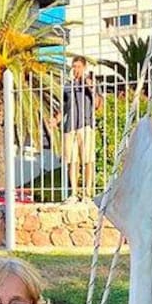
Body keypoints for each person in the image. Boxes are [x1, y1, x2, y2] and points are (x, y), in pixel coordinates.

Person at [61, 55, 99, 201]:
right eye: (74, 66)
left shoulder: (91, 84)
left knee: (87, 159)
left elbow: (97, 104)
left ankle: (87, 193)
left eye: (78, 66)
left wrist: (90, 88)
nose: (75, 69)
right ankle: (74, 193)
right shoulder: (67, 86)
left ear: (84, 68)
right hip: (70, 127)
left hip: (85, 125)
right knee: (72, 161)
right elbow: (64, 107)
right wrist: (56, 120)